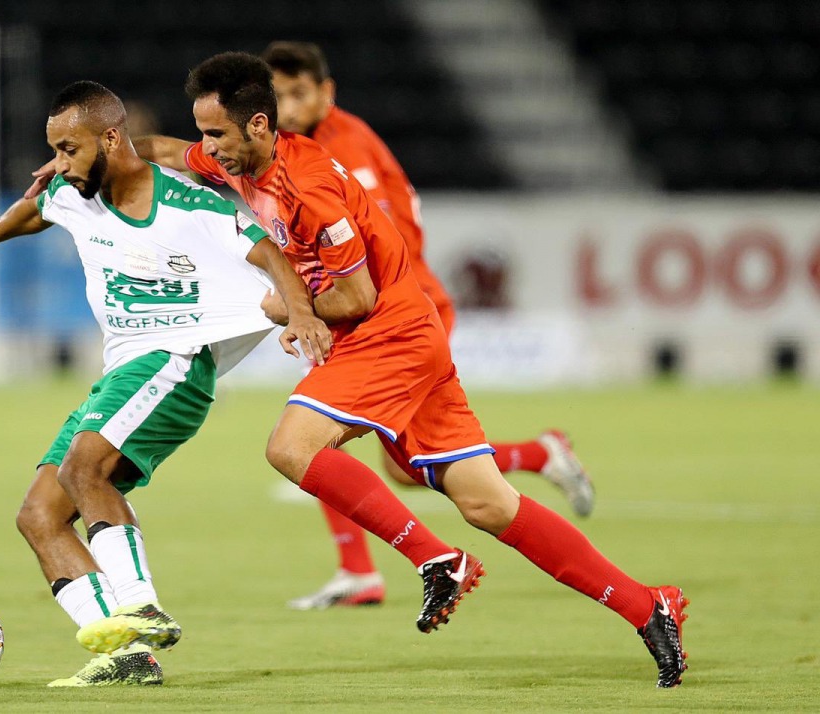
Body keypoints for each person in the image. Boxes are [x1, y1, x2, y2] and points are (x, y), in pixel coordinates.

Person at [126, 52, 688, 688]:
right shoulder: (239, 156)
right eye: (204, 132)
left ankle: (434, 558)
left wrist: (289, 309)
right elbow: (170, 151)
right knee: (488, 504)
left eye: (217, 135)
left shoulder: (310, 189)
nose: (208, 149)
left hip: (388, 332)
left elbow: (355, 300)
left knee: (291, 446)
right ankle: (649, 606)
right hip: (407, 330)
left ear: (258, 125)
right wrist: (111, 152)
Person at [0, 80, 331, 687]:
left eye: (69, 149)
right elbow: (34, 209)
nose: (58, 165)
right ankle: (125, 655)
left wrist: (301, 312)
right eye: (56, 151)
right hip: (121, 372)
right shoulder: (71, 192)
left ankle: (140, 605)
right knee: (39, 515)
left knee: (82, 470)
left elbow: (270, 253)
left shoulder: (190, 205)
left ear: (111, 138)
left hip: (175, 362)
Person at [260, 41, 596, 611]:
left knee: (332, 440)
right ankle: (534, 459)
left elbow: (369, 243)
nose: (288, 108)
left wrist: (313, 300)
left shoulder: (343, 149)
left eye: (299, 93)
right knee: (371, 457)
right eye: (279, 96)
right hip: (374, 309)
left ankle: (367, 568)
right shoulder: (302, 153)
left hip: (394, 312)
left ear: (326, 93)